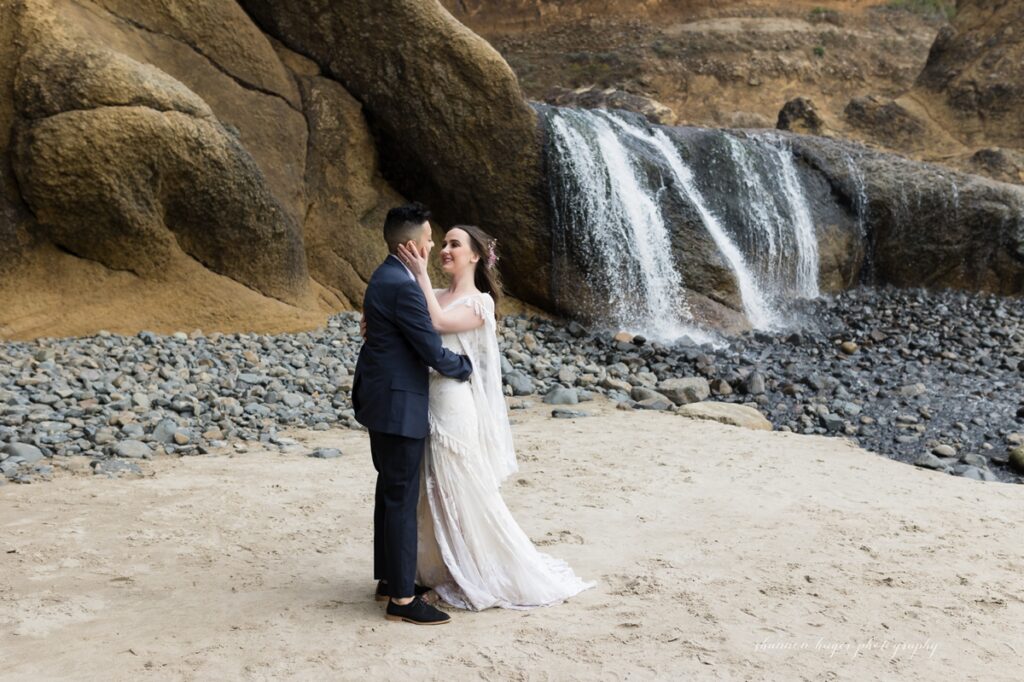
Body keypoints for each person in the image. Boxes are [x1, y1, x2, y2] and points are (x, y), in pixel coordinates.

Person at [394, 224, 594, 610]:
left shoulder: (479, 303)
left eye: (455, 244)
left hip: (454, 404)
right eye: (445, 243)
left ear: (475, 256)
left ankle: (476, 570)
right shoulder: (435, 293)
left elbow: (435, 324)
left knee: (459, 487)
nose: (445, 250)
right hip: (425, 401)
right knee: (429, 487)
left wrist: (417, 274)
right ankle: (441, 569)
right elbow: (412, 329)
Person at [352, 202, 472, 626]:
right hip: (399, 402)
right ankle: (402, 600)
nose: (433, 244)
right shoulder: (402, 284)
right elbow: (430, 349)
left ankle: (390, 578)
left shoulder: (388, 275)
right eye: (427, 239)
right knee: (400, 497)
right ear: (411, 246)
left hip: (382, 398)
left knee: (391, 492)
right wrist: (465, 368)